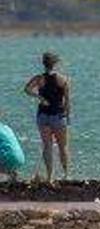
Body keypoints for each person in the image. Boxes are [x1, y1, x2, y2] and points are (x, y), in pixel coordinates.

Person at [24, 52, 71, 182]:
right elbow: (67, 101)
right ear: (55, 64)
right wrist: (68, 117)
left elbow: (27, 89)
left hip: (43, 116)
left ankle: (50, 177)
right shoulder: (64, 79)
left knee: (47, 146)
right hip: (58, 116)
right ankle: (66, 175)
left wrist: (39, 97)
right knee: (63, 146)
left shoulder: (39, 78)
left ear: (44, 64)